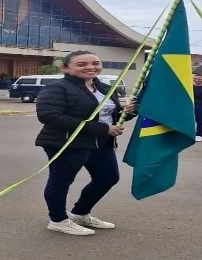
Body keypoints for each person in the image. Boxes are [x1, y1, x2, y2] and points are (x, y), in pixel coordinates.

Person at [34, 50, 136, 236]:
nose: (90, 67)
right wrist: (103, 129)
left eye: (95, 63)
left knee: (108, 178)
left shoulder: (104, 87)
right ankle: (57, 220)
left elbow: (110, 116)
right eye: (82, 64)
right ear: (66, 68)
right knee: (61, 181)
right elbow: (49, 116)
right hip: (66, 142)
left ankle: (80, 213)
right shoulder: (57, 88)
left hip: (100, 142)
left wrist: (128, 112)